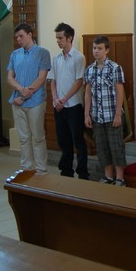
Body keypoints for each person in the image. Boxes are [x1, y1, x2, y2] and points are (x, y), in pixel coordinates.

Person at [7, 23, 51, 175]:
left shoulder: (42, 53)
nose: (18, 39)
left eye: (21, 36)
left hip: (35, 101)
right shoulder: (15, 54)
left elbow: (41, 78)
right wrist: (20, 91)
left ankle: (41, 169)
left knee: (38, 137)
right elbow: (10, 77)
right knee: (23, 137)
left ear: (30, 34)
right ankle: (26, 168)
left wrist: (25, 94)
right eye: (17, 37)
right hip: (17, 101)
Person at [84, 35, 126, 186]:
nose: (96, 51)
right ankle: (108, 176)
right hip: (97, 115)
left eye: (100, 48)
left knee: (116, 147)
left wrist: (118, 114)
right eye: (94, 48)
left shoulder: (115, 68)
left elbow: (120, 92)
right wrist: (87, 114)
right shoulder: (89, 70)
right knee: (102, 147)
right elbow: (88, 93)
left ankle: (120, 178)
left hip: (112, 114)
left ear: (106, 50)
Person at [48, 23, 88, 180]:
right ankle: (66, 171)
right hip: (59, 106)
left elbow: (79, 81)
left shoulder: (78, 57)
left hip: (73, 105)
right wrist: (55, 99)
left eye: (60, 38)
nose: (58, 41)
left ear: (69, 38)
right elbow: (52, 81)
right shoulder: (56, 58)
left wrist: (64, 99)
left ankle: (82, 172)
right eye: (57, 38)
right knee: (63, 140)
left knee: (78, 140)